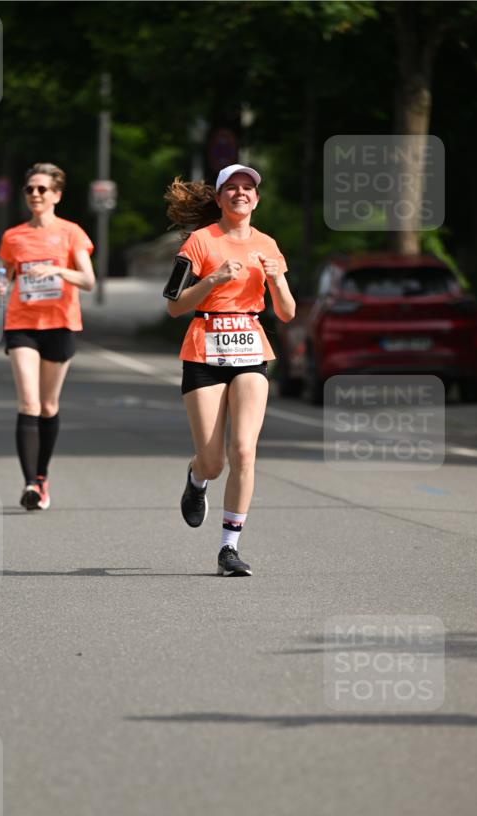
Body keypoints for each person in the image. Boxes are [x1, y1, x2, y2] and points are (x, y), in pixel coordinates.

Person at [164, 164, 296, 576]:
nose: (241, 193)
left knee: (244, 451)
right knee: (214, 461)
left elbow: (288, 313)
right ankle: (196, 477)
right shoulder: (199, 244)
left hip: (251, 350)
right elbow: (173, 304)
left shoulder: (268, 245)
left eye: (248, 188)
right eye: (232, 188)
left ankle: (228, 548)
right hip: (204, 349)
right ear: (220, 198)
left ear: (257, 199)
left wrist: (276, 281)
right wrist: (214, 279)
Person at [0, 163, 95, 511]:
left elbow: (88, 280)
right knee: (28, 403)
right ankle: (30, 483)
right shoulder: (13, 236)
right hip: (21, 323)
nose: (35, 194)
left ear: (57, 195)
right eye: (30, 189)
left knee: (48, 405)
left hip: (60, 324)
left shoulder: (71, 233)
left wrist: (57, 269)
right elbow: (5, 273)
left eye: (42, 189)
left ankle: (42, 475)